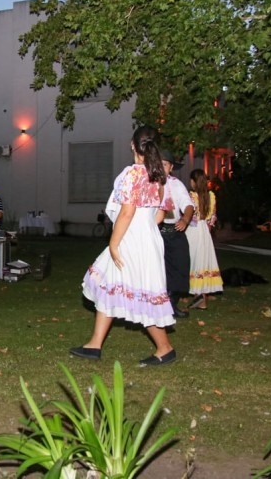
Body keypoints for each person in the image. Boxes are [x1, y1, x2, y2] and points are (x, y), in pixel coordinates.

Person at [70, 125, 176, 367]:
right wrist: (145, 225)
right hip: (148, 236)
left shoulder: (133, 174)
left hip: (130, 237)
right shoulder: (160, 176)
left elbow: (127, 212)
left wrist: (114, 244)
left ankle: (165, 347)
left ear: (132, 145)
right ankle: (95, 344)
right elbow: (160, 215)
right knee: (111, 284)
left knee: (137, 290)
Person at [157, 150, 195, 319]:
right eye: (159, 163)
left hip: (175, 232)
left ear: (171, 167)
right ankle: (159, 308)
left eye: (165, 164)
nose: (161, 167)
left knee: (180, 267)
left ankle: (171, 304)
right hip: (156, 233)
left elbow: (188, 205)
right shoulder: (149, 184)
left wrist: (185, 220)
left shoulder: (176, 184)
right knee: (159, 272)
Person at [186, 169, 224, 310]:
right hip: (204, 231)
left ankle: (197, 296)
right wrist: (207, 229)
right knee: (202, 262)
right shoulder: (210, 196)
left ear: (194, 181)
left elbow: (189, 216)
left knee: (194, 261)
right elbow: (212, 217)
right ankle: (201, 297)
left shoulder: (191, 196)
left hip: (193, 230)